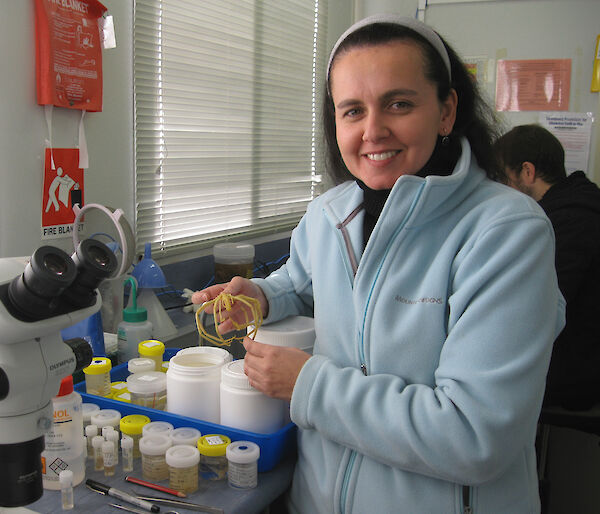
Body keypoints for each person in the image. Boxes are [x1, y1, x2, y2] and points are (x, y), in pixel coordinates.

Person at [193, 14, 565, 513]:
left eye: (399, 103)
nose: (373, 130)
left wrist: (309, 384)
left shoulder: (505, 233)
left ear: (447, 110)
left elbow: (475, 435)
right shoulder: (330, 214)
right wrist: (260, 296)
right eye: (352, 111)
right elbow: (303, 283)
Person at [494, 124, 600, 410]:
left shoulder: (568, 223)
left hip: (574, 374)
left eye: (504, 179)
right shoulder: (580, 202)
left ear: (527, 172)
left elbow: (538, 312)